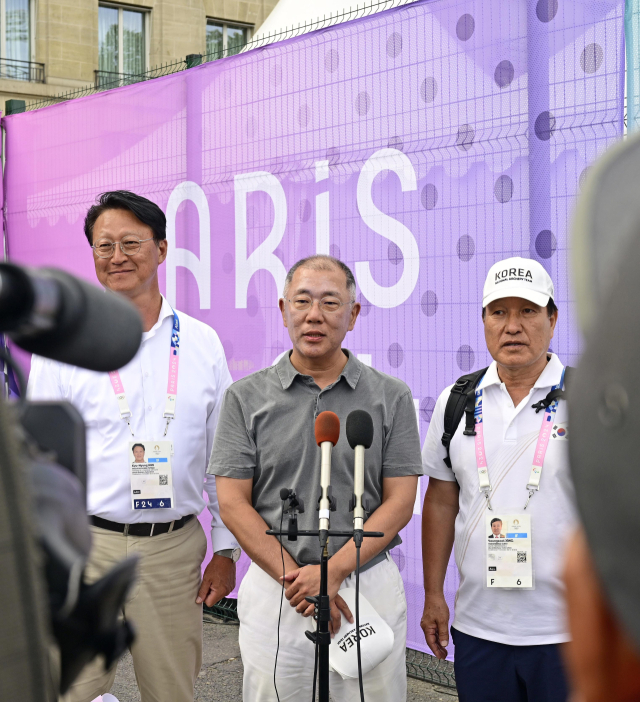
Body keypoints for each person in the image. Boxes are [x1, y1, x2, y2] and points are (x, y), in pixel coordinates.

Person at [28, 190, 240, 702]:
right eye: (104, 246)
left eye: (130, 243)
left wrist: (227, 551)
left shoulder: (201, 343)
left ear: (162, 250)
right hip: (87, 549)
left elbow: (223, 457)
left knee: (171, 691)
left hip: (172, 550)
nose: (116, 257)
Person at [208, 255, 423, 701]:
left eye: (330, 302)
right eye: (302, 301)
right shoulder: (245, 398)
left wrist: (335, 570)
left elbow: (400, 500)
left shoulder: (390, 396)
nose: (314, 315)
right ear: (284, 308)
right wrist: (298, 578)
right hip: (278, 588)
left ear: (353, 313)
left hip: (365, 582)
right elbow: (232, 501)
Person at [420, 257, 577, 702]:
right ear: (484, 320)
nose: (513, 326)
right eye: (499, 312)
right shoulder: (458, 400)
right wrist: (434, 593)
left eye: (527, 311)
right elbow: (440, 499)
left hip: (568, 632)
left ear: (552, 319)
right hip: (478, 630)